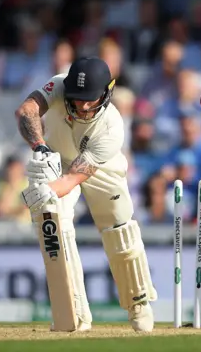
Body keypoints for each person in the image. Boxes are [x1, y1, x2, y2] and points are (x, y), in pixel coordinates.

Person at [15, 57, 157, 332]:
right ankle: (75, 313)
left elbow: (72, 179)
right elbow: (26, 111)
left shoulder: (112, 128)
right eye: (76, 98)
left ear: (107, 91)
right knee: (56, 223)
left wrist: (44, 192)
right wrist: (40, 147)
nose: (81, 105)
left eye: (88, 99)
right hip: (58, 160)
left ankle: (138, 303)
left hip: (97, 168)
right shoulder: (58, 85)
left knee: (120, 233)